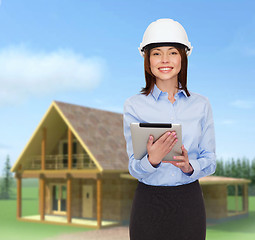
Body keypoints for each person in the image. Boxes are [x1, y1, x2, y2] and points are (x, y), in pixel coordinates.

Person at [123, 18, 216, 240]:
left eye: (172, 52)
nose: (165, 59)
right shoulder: (133, 106)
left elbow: (210, 160)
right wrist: (151, 160)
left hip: (189, 203)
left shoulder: (201, 105)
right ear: (147, 59)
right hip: (149, 204)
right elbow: (134, 168)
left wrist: (190, 167)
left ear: (183, 57)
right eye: (156, 53)